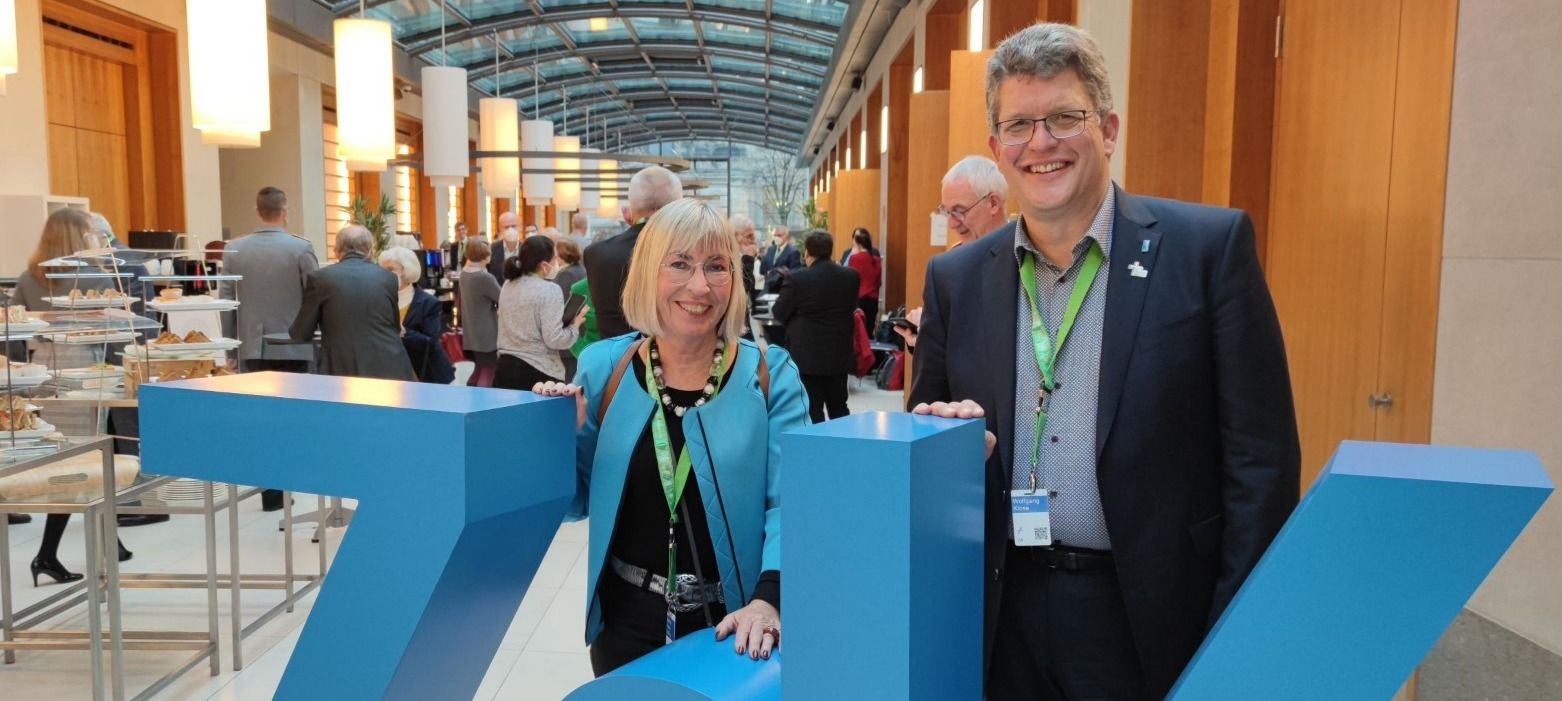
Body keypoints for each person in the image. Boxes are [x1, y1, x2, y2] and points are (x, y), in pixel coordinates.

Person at [907, 24, 1299, 700]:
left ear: (1109, 129)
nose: (1041, 143)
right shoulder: (957, 280)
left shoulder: (1207, 252)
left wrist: (1233, 635)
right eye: (1020, 125)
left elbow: (1261, 466)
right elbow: (923, 438)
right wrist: (947, 437)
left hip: (1150, 615)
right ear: (997, 149)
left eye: (1065, 118)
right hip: (1002, 614)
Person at [531, 198, 807, 676]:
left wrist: (770, 601)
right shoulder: (604, 368)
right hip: (625, 624)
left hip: (736, 627)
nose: (699, 286)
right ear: (647, 273)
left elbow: (794, 503)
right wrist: (554, 437)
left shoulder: (769, 375)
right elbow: (574, 503)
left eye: (716, 267)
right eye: (679, 264)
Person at [7, 208, 134, 582]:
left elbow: (17, 327)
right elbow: (113, 331)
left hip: (44, 364)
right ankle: (50, 553)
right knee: (88, 462)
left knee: (67, 458)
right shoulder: (93, 273)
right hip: (86, 365)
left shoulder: (29, 277)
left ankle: (109, 540)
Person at [290, 226, 416, 381]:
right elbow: (394, 326)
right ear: (370, 251)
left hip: (341, 370)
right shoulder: (388, 278)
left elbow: (301, 333)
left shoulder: (320, 279)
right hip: (389, 367)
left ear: (336, 250)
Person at [220, 187, 319, 373]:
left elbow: (226, 305)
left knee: (255, 401)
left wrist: (230, 349)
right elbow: (315, 297)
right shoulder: (301, 248)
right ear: (285, 211)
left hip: (250, 347)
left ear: (257, 212)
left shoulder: (234, 249)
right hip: (294, 346)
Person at [583, 166, 684, 338]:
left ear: (630, 209)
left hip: (616, 360)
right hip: (677, 358)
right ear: (680, 206)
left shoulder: (596, 254)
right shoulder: (690, 252)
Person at [772, 230, 860, 423]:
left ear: (807, 252)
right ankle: (843, 449)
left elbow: (779, 312)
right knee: (839, 407)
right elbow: (850, 307)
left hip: (807, 356)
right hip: (838, 353)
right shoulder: (851, 277)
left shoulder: (798, 279)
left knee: (812, 409)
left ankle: (817, 451)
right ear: (830, 250)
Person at [493, 236, 588, 390]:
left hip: (504, 368)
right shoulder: (549, 290)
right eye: (555, 259)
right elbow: (555, 340)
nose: (557, 264)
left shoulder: (507, 285)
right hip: (539, 374)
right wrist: (574, 325)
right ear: (544, 265)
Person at [380, 246, 454, 384]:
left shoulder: (428, 302)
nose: (385, 274)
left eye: (391, 269)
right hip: (390, 372)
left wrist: (404, 332)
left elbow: (430, 341)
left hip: (421, 373)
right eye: (383, 270)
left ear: (406, 271)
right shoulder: (379, 299)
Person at [940, 156, 1011, 248]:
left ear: (993, 203)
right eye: (946, 212)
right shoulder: (953, 259)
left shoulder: (1025, 253)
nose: (952, 224)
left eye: (959, 211)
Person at [459, 237, 501, 386]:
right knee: (489, 371)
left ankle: (471, 396)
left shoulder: (464, 273)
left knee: (478, 368)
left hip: (471, 332)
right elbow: (501, 297)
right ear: (485, 256)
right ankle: (483, 402)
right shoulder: (485, 278)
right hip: (487, 334)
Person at [552, 238, 587, 381]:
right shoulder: (581, 269)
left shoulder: (565, 274)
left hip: (570, 328)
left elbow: (560, 304)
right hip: (582, 325)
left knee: (568, 376)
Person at [844, 228, 883, 336]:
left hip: (858, 300)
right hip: (872, 300)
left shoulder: (854, 259)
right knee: (868, 332)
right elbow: (879, 282)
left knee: (857, 333)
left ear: (859, 244)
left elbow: (850, 280)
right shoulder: (877, 260)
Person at [729, 214, 760, 307]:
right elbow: (741, 288)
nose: (753, 241)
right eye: (749, 236)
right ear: (735, 235)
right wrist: (748, 259)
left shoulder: (740, 255)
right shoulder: (726, 257)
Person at [758, 226, 800, 291]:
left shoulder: (793, 252)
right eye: (775, 235)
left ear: (787, 236)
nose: (776, 238)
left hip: (783, 289)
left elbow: (794, 273)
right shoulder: (770, 249)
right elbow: (763, 270)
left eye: (779, 235)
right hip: (769, 289)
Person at [488, 212, 522, 281]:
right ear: (500, 229)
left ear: (519, 227)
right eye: (506, 227)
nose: (510, 230)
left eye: (513, 226)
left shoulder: (527, 249)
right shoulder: (491, 250)